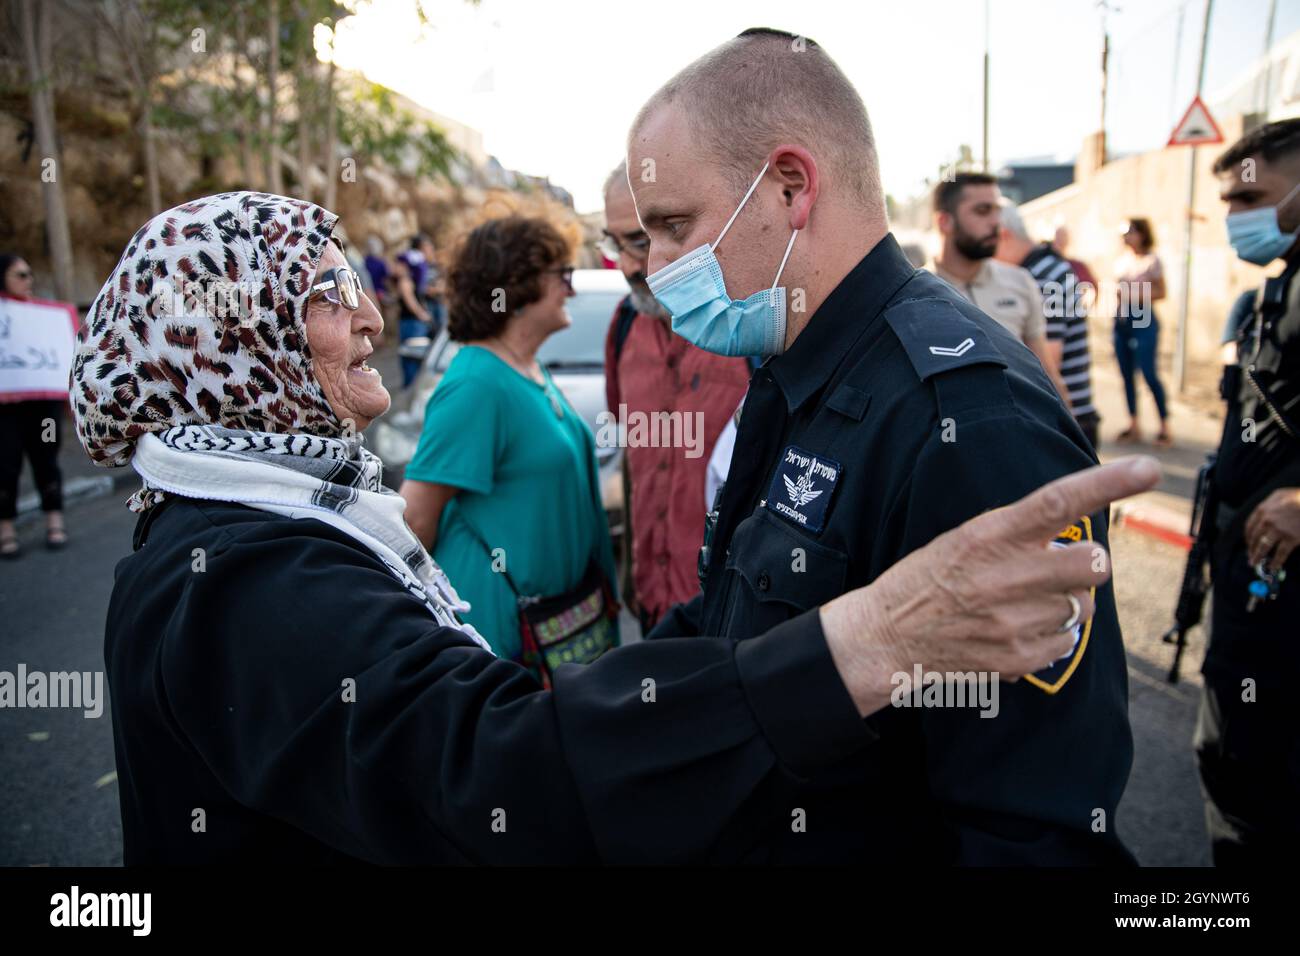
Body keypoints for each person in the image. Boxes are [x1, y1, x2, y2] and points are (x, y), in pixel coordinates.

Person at [68, 190, 1154, 864]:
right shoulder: (239, 575)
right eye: (320, 291)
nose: (366, 314)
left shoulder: (260, 521)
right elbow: (492, 775)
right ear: (215, 342)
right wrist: (861, 642)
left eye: (359, 283)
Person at [632, 28, 1134, 864]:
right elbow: (727, 621)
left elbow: (1030, 826)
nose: (653, 265)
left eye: (674, 225)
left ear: (791, 186)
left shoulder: (968, 416)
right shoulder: (795, 361)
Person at [399, 215, 620, 666]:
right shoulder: (477, 383)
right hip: (500, 630)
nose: (571, 289)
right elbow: (416, 519)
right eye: (562, 275)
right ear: (517, 286)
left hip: (559, 619)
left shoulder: (528, 367)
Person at [1195, 119, 1300, 865]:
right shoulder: (1277, 290)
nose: (1238, 215)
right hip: (1250, 574)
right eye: (1229, 200)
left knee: (1250, 787)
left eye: (1252, 195)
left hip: (1280, 594)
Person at [601, 161, 750, 632]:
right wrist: (630, 573)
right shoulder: (622, 329)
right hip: (650, 608)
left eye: (640, 243)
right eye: (613, 243)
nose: (627, 266)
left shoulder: (748, 332)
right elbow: (631, 459)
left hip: (726, 619)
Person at [929, 173, 1069, 404]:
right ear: (945, 221)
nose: (996, 222)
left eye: (997, 210)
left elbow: (1047, 376)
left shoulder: (1020, 282)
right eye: (983, 211)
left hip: (1018, 434)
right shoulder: (914, 293)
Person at [997, 205, 1100, 449]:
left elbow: (1048, 356)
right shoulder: (1044, 267)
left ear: (1003, 235)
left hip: (1062, 415)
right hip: (1066, 412)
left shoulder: (1043, 275)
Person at [0, 254, 68, 557]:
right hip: (6, 409)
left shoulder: (43, 316)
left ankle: (55, 519)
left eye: (29, 274)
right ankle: (6, 528)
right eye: (20, 274)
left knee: (47, 460)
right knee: (5, 464)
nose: (28, 280)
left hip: (44, 410)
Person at [1112, 217, 1171, 446]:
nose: (1126, 236)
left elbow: (1162, 292)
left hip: (1143, 321)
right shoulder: (1122, 260)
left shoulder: (1152, 260)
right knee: (1126, 374)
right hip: (1122, 321)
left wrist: (1135, 296)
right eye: (1124, 232)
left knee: (1148, 373)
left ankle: (1164, 426)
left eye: (1130, 232)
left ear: (1142, 233)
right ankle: (1133, 424)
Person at [393, 236, 434, 387]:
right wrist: (422, 314)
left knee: (415, 358)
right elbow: (409, 300)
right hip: (412, 322)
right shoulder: (406, 280)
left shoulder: (412, 277)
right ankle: (411, 389)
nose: (396, 267)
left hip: (413, 322)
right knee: (411, 357)